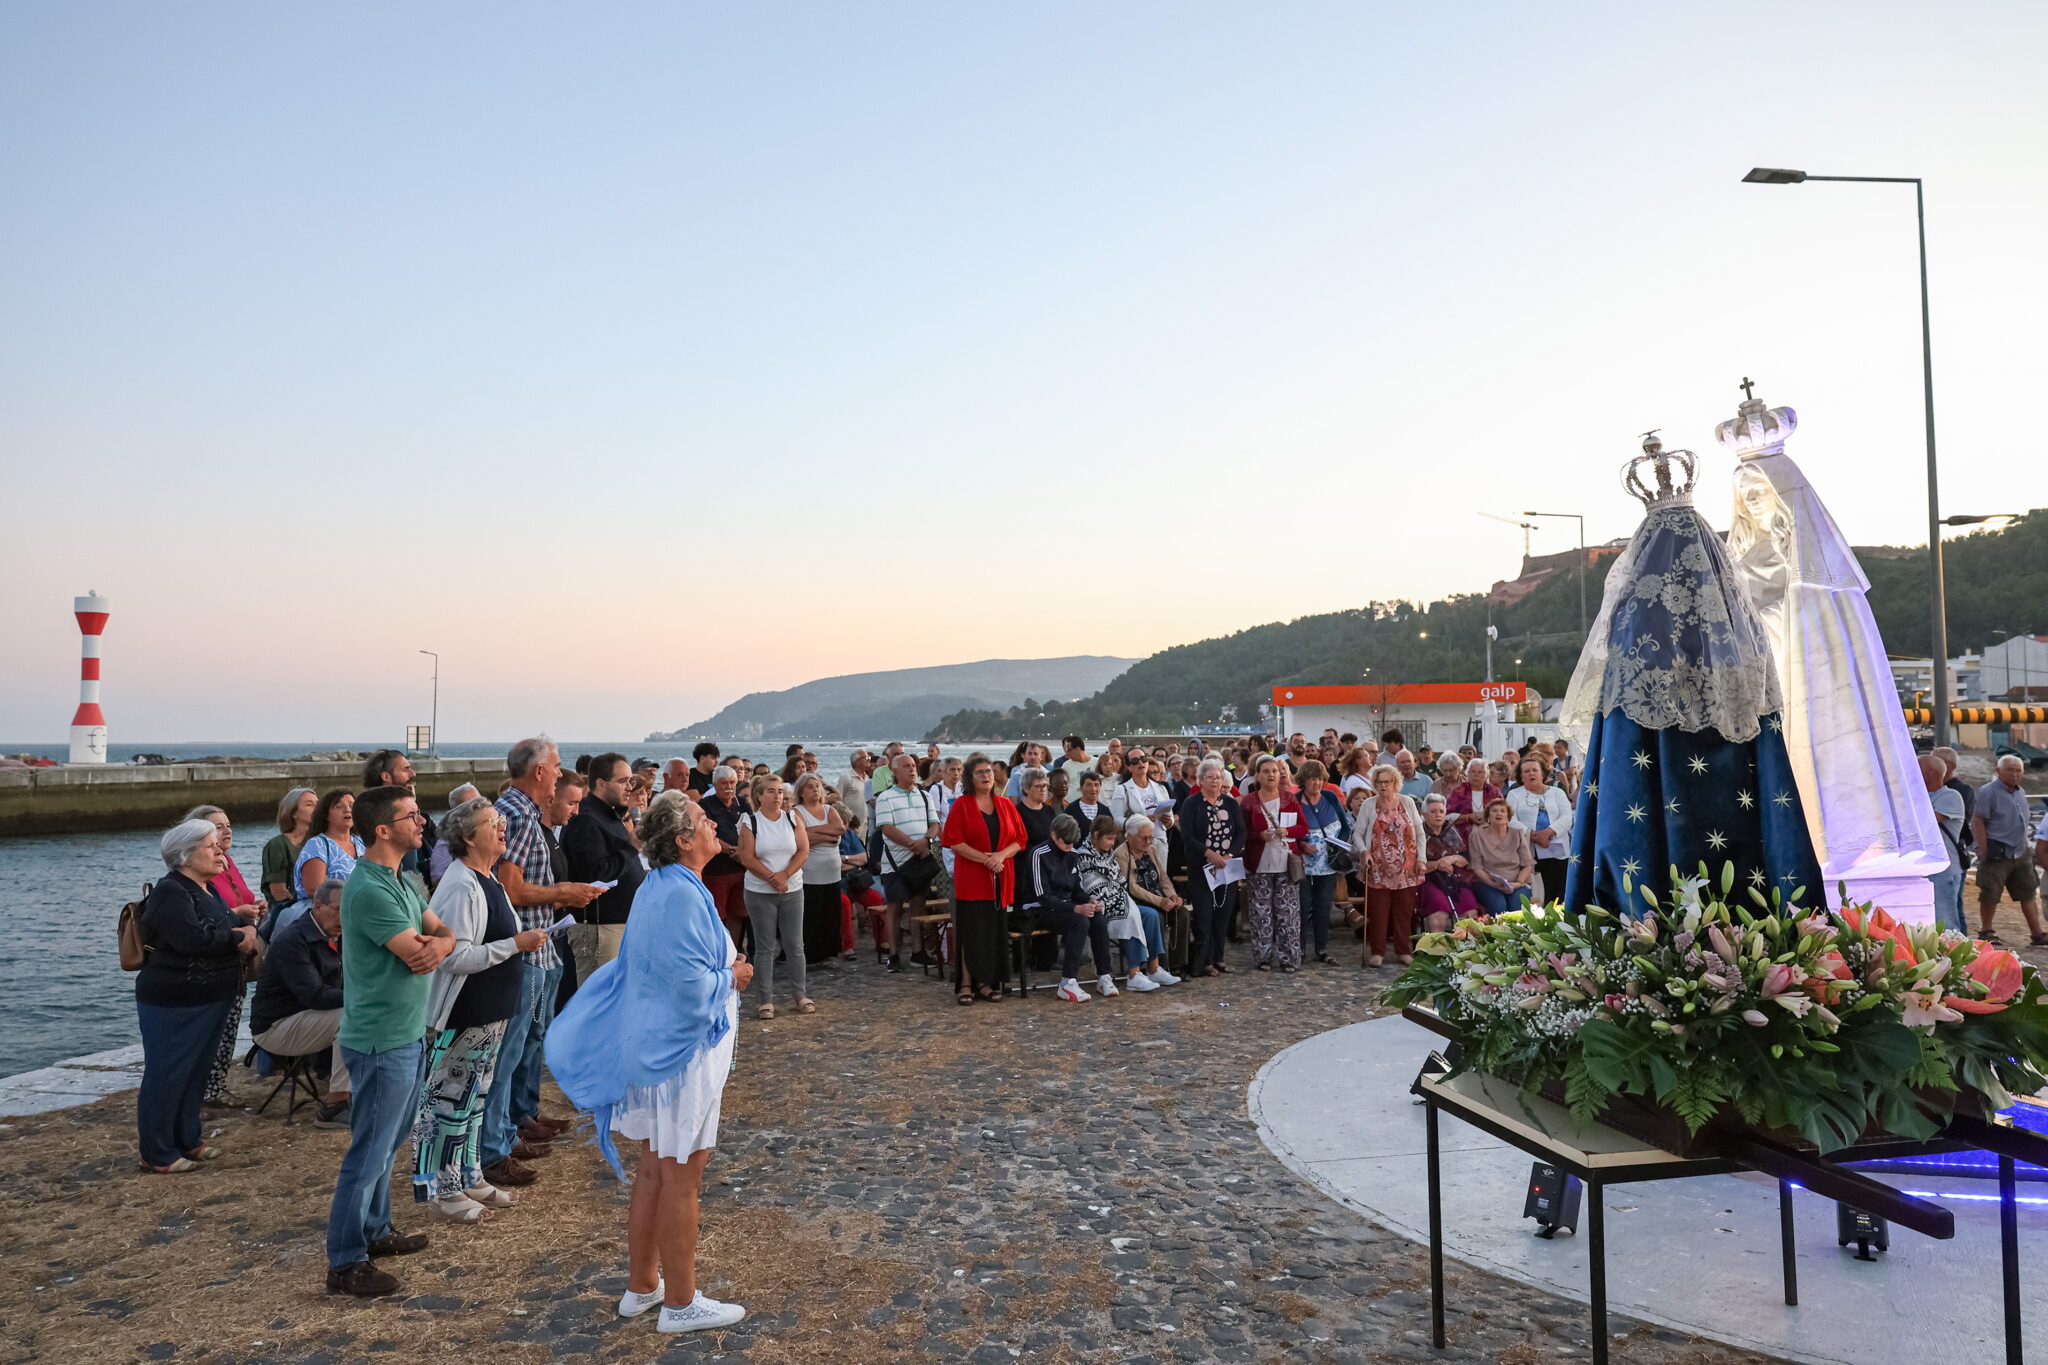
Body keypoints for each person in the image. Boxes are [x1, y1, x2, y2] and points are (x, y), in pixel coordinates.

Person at [545, 792, 752, 1334]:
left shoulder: (660, 885)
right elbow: (687, 986)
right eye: (704, 820)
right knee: (681, 1175)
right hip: (678, 1057)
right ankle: (681, 1303)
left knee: (656, 1169)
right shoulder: (680, 894)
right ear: (683, 839)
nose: (714, 825)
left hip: (657, 1050)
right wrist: (733, 976)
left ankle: (643, 1287)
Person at [325, 784, 455, 1298]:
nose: (422, 822)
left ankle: (376, 1230)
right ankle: (345, 1261)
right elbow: (413, 949)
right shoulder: (370, 890)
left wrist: (441, 946)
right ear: (383, 829)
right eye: (412, 816)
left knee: (388, 1144)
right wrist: (437, 946)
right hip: (381, 1039)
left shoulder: (401, 879)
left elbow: (440, 933)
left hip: (406, 1032)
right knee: (369, 1152)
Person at [414, 798, 548, 1221]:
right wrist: (515, 944)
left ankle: (469, 1175)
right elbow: (454, 956)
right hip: (464, 1013)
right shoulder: (460, 884)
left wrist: (516, 944)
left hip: (491, 1011)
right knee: (449, 1104)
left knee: (475, 1100)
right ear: (468, 837)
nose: (503, 827)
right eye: (492, 822)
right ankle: (443, 1192)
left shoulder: (488, 878)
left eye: (501, 820)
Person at [480, 738, 600, 1192]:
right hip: (525, 950)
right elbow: (510, 888)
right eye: (556, 765)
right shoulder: (516, 815)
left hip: (538, 947)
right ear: (538, 772)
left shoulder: (521, 814)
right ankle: (496, 1147)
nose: (559, 772)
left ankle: (509, 1131)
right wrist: (563, 892)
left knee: (524, 1044)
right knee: (508, 1053)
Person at [134, 817, 261, 1173]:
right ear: (186, 855)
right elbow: (191, 939)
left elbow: (222, 925)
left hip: (209, 998)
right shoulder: (171, 891)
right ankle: (157, 1153)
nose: (220, 852)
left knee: (195, 1072)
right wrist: (239, 938)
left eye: (218, 845)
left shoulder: (205, 888)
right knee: (168, 1073)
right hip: (175, 1000)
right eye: (211, 846)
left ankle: (188, 1139)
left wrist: (247, 928)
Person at [251, 875, 352, 1126]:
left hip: (305, 1017)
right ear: (317, 907)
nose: (344, 918)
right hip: (274, 1027)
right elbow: (316, 996)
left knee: (369, 1012)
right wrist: (366, 996)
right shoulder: (293, 941)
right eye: (338, 910)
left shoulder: (334, 933)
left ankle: (363, 1088)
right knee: (353, 1018)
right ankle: (336, 1105)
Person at [183, 805, 266, 1107]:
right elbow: (202, 914)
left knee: (228, 1025)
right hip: (216, 958)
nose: (227, 831)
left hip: (236, 957)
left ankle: (215, 1088)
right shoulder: (196, 873)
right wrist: (238, 913)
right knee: (212, 1028)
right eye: (218, 827)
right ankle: (203, 1092)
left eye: (228, 824)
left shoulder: (227, 862)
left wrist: (255, 907)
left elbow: (234, 901)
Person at [941, 754, 1028, 1004]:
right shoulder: (961, 805)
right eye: (980, 772)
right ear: (970, 777)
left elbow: (1020, 840)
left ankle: (986, 982)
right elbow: (954, 841)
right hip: (971, 879)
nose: (986, 775)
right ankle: (967, 984)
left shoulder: (1005, 805)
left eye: (989, 771)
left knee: (992, 932)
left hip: (999, 879)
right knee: (971, 932)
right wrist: (985, 859)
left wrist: (999, 856)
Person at [562, 753, 647, 980]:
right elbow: (596, 875)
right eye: (623, 781)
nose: (629, 788)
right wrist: (631, 848)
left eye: (631, 781)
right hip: (600, 930)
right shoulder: (586, 820)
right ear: (600, 783)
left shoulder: (610, 815)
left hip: (619, 926)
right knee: (599, 995)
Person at [736, 773, 811, 1019]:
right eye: (771, 791)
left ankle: (800, 995)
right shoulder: (750, 822)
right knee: (764, 947)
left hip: (792, 889)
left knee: (795, 945)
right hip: (760, 892)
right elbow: (747, 857)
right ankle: (765, 1000)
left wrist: (785, 875)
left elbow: (803, 850)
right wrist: (772, 878)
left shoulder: (793, 818)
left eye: (780, 791)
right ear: (759, 796)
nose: (777, 796)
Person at [1019, 814, 1117, 1001]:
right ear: (1054, 835)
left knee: (1097, 918)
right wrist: (1075, 908)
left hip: (1064, 906)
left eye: (1073, 842)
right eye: (1066, 842)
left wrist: (1090, 901)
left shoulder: (1073, 854)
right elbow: (1044, 897)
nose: (1069, 846)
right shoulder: (1038, 854)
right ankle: (1067, 981)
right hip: (1038, 910)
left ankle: (1104, 975)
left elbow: (1077, 890)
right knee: (1079, 921)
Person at [873, 754, 941, 973]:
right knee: (894, 907)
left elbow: (935, 824)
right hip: (896, 864)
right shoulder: (886, 798)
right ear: (895, 771)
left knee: (918, 904)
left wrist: (926, 841)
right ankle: (893, 955)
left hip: (918, 862)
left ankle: (918, 952)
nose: (912, 770)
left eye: (913, 766)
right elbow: (886, 828)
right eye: (906, 766)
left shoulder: (925, 796)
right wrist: (913, 844)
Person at [1178, 758, 1245, 977]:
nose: (1215, 781)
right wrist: (1209, 854)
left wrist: (1229, 854)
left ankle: (1219, 957)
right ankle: (1204, 961)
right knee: (1204, 916)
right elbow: (1187, 835)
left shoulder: (1230, 804)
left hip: (1227, 867)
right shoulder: (1191, 804)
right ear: (1201, 780)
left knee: (1223, 914)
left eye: (1218, 777)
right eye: (1210, 777)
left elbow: (1241, 832)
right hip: (1202, 867)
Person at [1240, 756, 1307, 973]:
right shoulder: (1249, 802)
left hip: (1286, 863)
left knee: (1288, 914)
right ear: (1257, 776)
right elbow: (1242, 832)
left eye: (1275, 771)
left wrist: (1288, 831)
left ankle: (1290, 958)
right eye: (1266, 771)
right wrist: (1260, 836)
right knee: (1261, 914)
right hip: (1259, 865)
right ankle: (1263, 957)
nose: (1271, 774)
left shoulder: (1290, 799)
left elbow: (1303, 827)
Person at [1353, 763, 1424, 968]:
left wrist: (1422, 859)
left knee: (1404, 912)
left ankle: (1403, 951)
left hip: (1406, 868)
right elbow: (1357, 833)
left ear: (1395, 783)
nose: (1383, 786)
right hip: (1378, 868)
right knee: (1379, 912)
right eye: (1379, 782)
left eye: (1387, 782)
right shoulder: (1369, 805)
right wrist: (1364, 851)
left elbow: (1420, 833)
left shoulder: (1407, 802)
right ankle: (1378, 952)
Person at [1974, 754, 2047, 945]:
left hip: (2021, 851)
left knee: (2028, 892)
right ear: (1998, 771)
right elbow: (1978, 820)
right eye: (2010, 770)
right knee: (1990, 893)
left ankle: (2037, 933)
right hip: (1996, 851)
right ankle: (1986, 931)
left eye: (2018, 771)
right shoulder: (1987, 792)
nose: (2014, 774)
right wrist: (1983, 848)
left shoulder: (2020, 792)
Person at [1074, 815, 1138, 999]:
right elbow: (1086, 885)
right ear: (1095, 835)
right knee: (1100, 922)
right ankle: (1105, 976)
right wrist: (1094, 900)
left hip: (1115, 899)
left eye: (1113, 839)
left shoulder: (1108, 855)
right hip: (1090, 903)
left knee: (1146, 915)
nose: (1111, 843)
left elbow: (1119, 880)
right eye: (1109, 838)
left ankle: (1144, 969)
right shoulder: (1082, 855)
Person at [1293, 761, 1351, 965]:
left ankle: (1321, 949)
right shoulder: (1295, 801)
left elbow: (1345, 827)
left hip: (1328, 865)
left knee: (1323, 907)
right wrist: (1301, 844)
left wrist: (1338, 845)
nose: (1317, 783)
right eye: (1312, 778)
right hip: (1303, 865)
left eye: (1320, 778)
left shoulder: (1330, 797)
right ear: (1304, 780)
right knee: (1302, 907)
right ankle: (1298, 949)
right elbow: (1289, 831)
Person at [1117, 815, 1182, 988]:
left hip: (1158, 897)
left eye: (1150, 837)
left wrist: (1172, 895)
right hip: (1137, 901)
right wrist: (1159, 901)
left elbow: (1163, 877)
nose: (1148, 842)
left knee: (1181, 913)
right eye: (1143, 838)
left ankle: (1177, 966)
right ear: (1130, 836)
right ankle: (1157, 966)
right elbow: (1132, 887)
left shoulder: (1151, 850)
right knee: (1155, 916)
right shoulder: (1121, 854)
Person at [288, 790, 363, 934]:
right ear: (326, 815)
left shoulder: (362, 843)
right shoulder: (317, 845)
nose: (347, 810)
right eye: (339, 806)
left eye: (351, 805)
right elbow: (315, 890)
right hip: (327, 916)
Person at [793, 774, 847, 965]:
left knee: (831, 911)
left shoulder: (829, 809)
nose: (815, 789)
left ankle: (829, 950)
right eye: (810, 786)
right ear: (801, 791)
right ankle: (812, 952)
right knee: (812, 912)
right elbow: (801, 836)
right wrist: (826, 835)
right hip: (811, 872)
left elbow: (839, 829)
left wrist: (813, 832)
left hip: (832, 872)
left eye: (817, 786)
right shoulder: (797, 811)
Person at [1505, 756, 1572, 904]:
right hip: (1528, 850)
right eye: (1526, 771)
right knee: (1537, 894)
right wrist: (1533, 835)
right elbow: (1510, 819)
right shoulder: (1514, 794)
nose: (1531, 773)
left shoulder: (1557, 793)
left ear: (1542, 773)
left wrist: (1548, 832)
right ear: (1521, 776)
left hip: (1558, 850)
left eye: (1535, 770)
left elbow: (1567, 817)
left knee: (1559, 893)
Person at [696, 766, 752, 940]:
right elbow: (706, 833)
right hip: (716, 871)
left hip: (742, 870)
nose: (729, 787)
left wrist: (744, 852)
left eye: (732, 783)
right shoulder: (705, 805)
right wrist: (733, 850)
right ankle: (718, 949)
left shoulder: (743, 804)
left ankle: (734, 950)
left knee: (738, 914)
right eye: (724, 783)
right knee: (717, 916)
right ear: (714, 785)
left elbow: (752, 828)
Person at [1417, 794, 1479, 932]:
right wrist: (1438, 864)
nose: (1438, 815)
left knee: (1470, 913)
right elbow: (1415, 865)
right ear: (1424, 814)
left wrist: (1451, 859)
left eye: (1441, 811)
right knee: (1439, 913)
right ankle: (1437, 945)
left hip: (1455, 878)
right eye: (1433, 812)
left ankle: (1468, 944)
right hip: (1428, 879)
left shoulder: (1451, 830)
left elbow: (1465, 859)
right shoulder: (1418, 833)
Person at [1921, 754, 1968, 935]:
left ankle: (1954, 952)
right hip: (1923, 868)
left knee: (1946, 922)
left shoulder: (1950, 796)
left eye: (1917, 769)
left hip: (1943, 871)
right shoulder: (1916, 796)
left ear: (1932, 773)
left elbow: (1927, 820)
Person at [1466, 798, 1535, 917]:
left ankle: (1518, 930)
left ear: (1508, 818)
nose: (1499, 813)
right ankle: (1495, 930)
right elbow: (1477, 868)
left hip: (1516, 883)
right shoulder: (1476, 836)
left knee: (1516, 906)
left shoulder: (1518, 834)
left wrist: (1518, 883)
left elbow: (1527, 865)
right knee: (1499, 905)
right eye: (1495, 811)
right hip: (1487, 883)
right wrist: (1494, 884)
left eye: (1503, 811)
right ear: (1488, 816)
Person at [263, 787, 316, 912]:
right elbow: (278, 892)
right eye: (309, 804)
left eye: (318, 804)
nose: (317, 808)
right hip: (290, 912)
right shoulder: (278, 844)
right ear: (293, 813)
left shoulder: (321, 842)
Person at [428, 784, 483, 885]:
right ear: (456, 812)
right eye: (470, 805)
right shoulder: (446, 841)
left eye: (479, 802)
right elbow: (438, 880)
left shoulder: (494, 828)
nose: (478, 808)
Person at [1445, 760, 1500, 834]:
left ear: (1486, 775)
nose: (1476, 775)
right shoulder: (1458, 791)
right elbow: (1447, 815)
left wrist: (1488, 817)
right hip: (1464, 834)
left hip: (1491, 833)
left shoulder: (1494, 792)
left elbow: (1504, 813)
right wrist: (1467, 817)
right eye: (1472, 771)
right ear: (1467, 774)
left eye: (1480, 772)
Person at [1014, 766, 1059, 852]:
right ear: (1026, 788)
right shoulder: (1017, 812)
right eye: (1038, 786)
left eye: (1045, 785)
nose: (1043, 790)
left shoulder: (1050, 810)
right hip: (1027, 858)